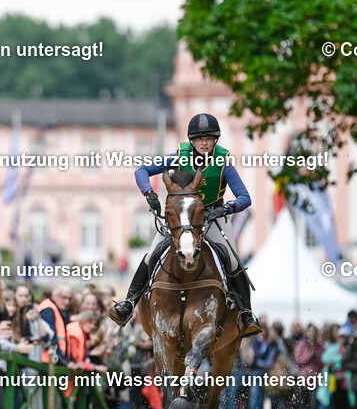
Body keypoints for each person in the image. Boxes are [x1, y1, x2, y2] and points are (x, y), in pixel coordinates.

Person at [109, 113, 259, 336]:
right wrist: (148, 192)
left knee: (232, 259)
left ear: (215, 140)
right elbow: (142, 171)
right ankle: (129, 303)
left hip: (213, 216)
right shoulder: (179, 156)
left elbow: (245, 198)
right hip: (182, 218)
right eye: (200, 139)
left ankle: (246, 314)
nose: (205, 143)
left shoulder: (223, 162)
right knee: (152, 254)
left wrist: (225, 208)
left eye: (209, 138)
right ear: (192, 141)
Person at [38, 285, 72, 364]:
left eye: (70, 299)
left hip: (52, 361)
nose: (67, 302)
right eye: (64, 297)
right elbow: (50, 338)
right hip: (46, 361)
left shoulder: (58, 310)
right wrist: (62, 361)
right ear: (54, 296)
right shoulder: (48, 309)